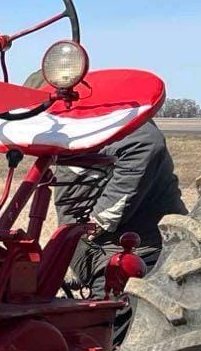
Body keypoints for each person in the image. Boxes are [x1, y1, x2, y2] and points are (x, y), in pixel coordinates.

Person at [22, 69, 185, 295]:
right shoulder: (72, 129)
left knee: (105, 320)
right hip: (101, 250)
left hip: (131, 252)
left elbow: (147, 145)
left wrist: (98, 221)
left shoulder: (107, 119)